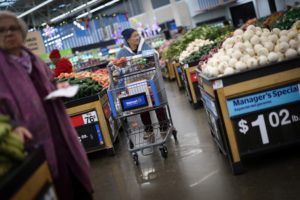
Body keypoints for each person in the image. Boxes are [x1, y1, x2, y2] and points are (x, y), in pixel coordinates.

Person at [0, 11, 93, 199]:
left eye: (13, 28)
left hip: (60, 133)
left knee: (75, 184)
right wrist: (14, 127)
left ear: (22, 32)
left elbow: (50, 84)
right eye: (1, 30)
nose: (8, 33)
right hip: (30, 146)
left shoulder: (36, 61)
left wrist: (59, 87)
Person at [116, 28, 169, 139]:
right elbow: (118, 70)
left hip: (150, 80)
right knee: (142, 106)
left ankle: (164, 126)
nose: (138, 37)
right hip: (134, 83)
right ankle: (148, 129)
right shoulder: (122, 52)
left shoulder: (144, 46)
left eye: (138, 35)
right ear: (128, 39)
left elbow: (155, 55)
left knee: (157, 102)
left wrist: (149, 58)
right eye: (134, 36)